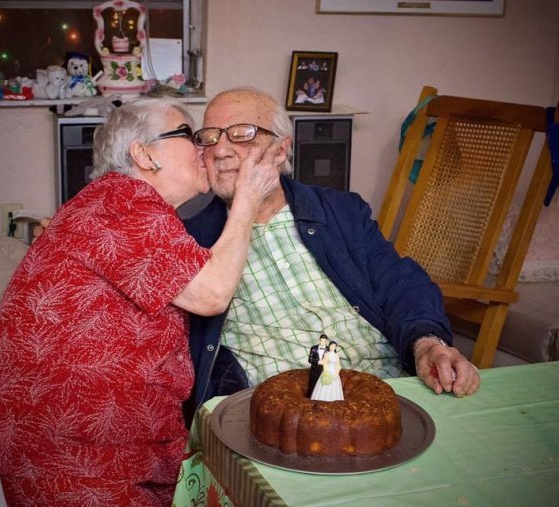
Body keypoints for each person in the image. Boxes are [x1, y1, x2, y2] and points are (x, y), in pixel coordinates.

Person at [0, 98, 280, 506]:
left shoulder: (115, 204)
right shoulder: (123, 201)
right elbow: (212, 294)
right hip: (54, 444)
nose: (204, 149)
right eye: (187, 135)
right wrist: (248, 199)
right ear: (143, 154)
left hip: (51, 430)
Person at [184, 87, 480, 420]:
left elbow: (400, 284)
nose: (220, 149)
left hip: (382, 384)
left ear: (281, 149)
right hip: (283, 412)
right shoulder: (187, 236)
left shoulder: (340, 212)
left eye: (241, 134)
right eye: (208, 137)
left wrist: (427, 342)